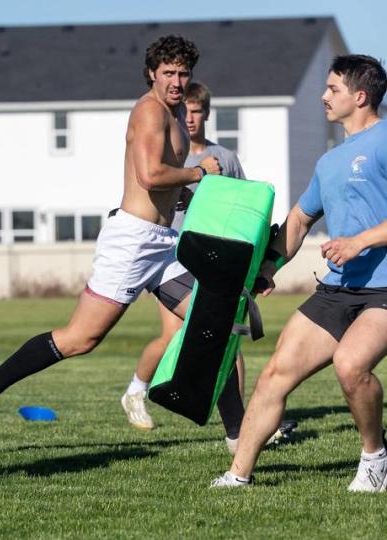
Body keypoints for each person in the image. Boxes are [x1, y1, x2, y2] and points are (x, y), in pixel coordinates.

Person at [0, 36, 220, 418]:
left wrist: (184, 197)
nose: (176, 81)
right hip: (133, 242)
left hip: (163, 244)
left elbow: (163, 186)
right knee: (80, 338)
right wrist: (198, 173)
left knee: (214, 318)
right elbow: (150, 175)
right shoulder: (149, 112)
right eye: (168, 73)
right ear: (151, 74)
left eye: (183, 73)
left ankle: (240, 438)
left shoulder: (175, 117)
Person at [212, 54, 387, 490]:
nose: (322, 96)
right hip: (337, 290)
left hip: (384, 289)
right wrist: (268, 267)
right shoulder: (330, 161)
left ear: (360, 96)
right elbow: (298, 221)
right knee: (275, 374)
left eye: (333, 89)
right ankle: (238, 476)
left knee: (350, 366)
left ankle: (375, 456)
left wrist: (359, 241)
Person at [120, 81, 281, 453]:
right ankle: (135, 391)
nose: (189, 118)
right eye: (184, 111)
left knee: (225, 339)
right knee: (176, 335)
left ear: (206, 113)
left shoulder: (223, 157)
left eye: (196, 111)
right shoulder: (169, 155)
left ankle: (239, 426)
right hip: (170, 258)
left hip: (215, 259)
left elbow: (246, 206)